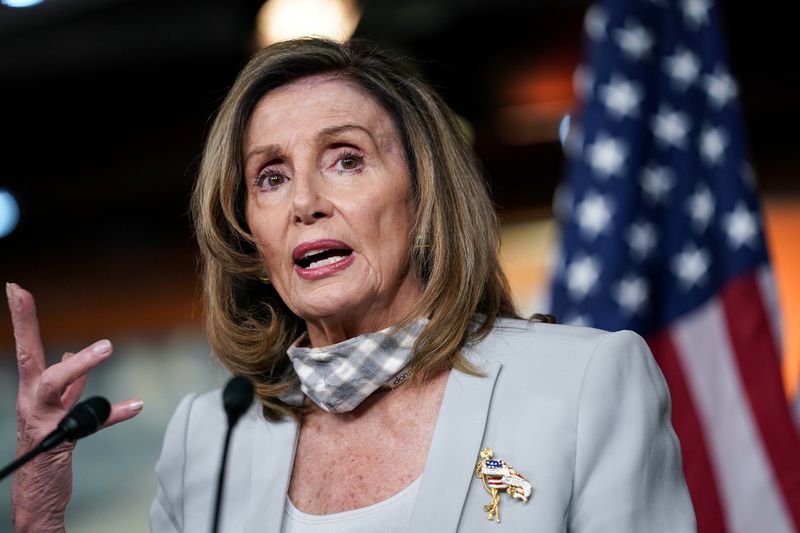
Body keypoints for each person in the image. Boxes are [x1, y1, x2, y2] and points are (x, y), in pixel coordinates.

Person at [8, 38, 696, 532]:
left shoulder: (584, 382)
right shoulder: (211, 433)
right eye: (270, 177)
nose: (304, 200)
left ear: (423, 198)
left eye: (346, 159)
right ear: (250, 233)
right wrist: (39, 514)